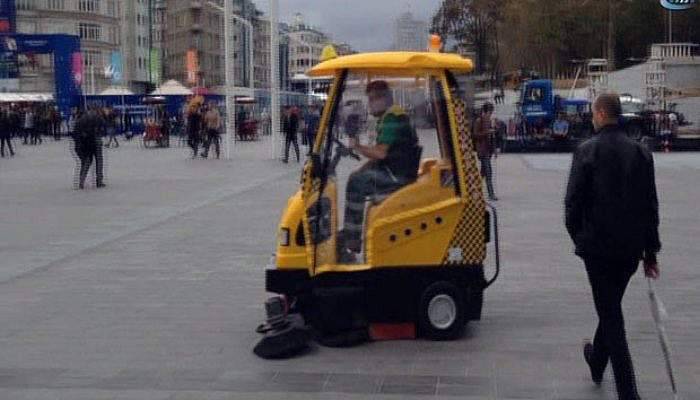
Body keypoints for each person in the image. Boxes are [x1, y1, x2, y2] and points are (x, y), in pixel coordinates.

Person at [565, 92, 661, 400]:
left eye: (594, 113)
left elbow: (572, 205)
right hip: (629, 249)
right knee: (610, 307)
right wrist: (650, 251)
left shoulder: (586, 152)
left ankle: (628, 391)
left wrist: (579, 238)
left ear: (601, 114)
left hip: (597, 249)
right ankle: (596, 362)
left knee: (611, 315)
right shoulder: (642, 153)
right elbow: (650, 206)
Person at [342, 80, 420, 258]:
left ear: (383, 98)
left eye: (371, 100)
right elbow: (383, 155)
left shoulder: (393, 118)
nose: (369, 104)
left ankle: (351, 242)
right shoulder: (391, 116)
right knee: (357, 176)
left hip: (396, 177)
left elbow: (381, 153)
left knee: (355, 184)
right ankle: (351, 237)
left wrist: (358, 147)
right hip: (397, 171)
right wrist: (363, 167)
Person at [73, 107, 106, 189]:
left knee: (86, 161)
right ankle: (99, 180)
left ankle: (81, 181)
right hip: (96, 140)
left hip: (86, 142)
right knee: (99, 161)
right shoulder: (98, 117)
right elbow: (103, 126)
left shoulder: (80, 120)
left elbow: (75, 134)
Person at [473, 102, 498, 201]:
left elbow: (492, 137)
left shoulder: (489, 121)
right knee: (488, 172)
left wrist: (494, 149)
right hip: (482, 151)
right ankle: (491, 194)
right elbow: (475, 135)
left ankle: (474, 191)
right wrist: (487, 132)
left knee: (483, 173)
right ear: (485, 111)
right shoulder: (479, 121)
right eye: (489, 112)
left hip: (488, 150)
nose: (490, 115)